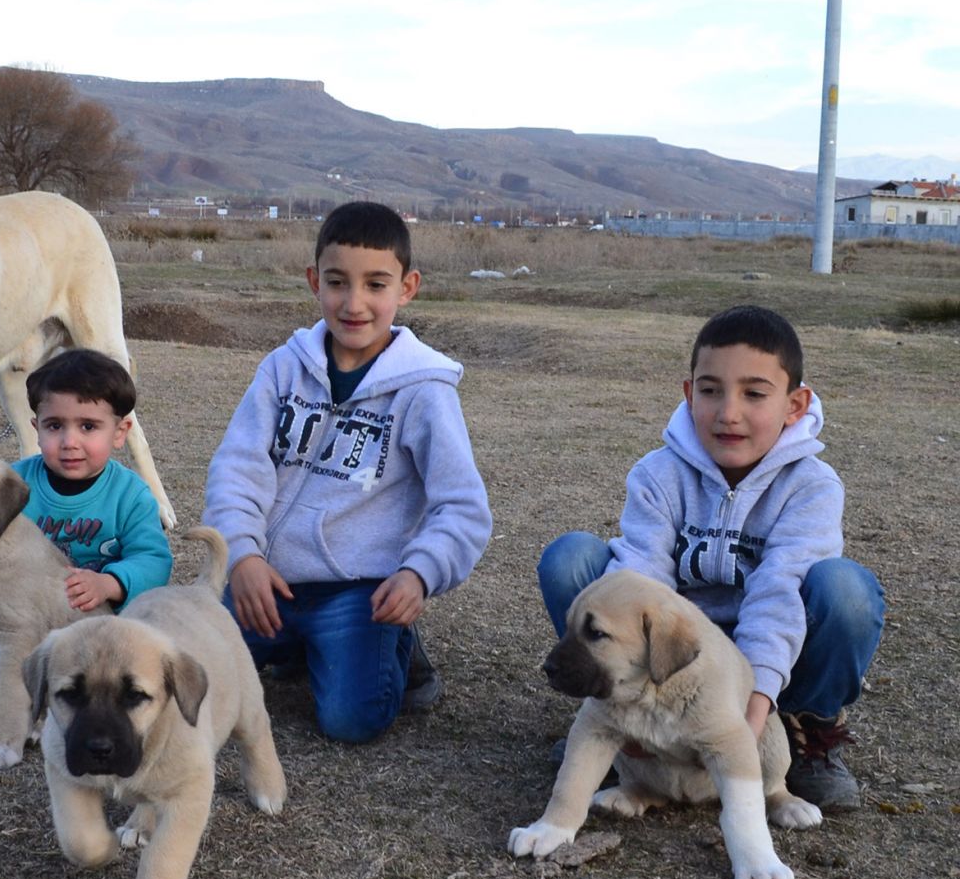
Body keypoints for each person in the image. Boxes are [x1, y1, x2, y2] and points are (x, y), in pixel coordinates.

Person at [536, 305, 884, 811]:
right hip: (672, 654)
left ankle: (806, 731)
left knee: (845, 591)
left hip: (762, 663)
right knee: (572, 559)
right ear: (688, 393)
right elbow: (638, 577)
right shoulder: (658, 474)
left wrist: (751, 717)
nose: (728, 412)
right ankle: (618, 714)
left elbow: (779, 593)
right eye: (711, 390)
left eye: (754, 394)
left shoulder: (812, 486)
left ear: (795, 405)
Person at [202, 201, 493, 744]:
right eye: (337, 282)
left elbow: (462, 507)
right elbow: (237, 470)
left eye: (375, 285)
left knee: (348, 720)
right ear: (315, 281)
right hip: (271, 581)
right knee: (195, 665)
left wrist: (419, 573)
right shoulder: (282, 368)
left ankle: (399, 651)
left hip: (358, 590)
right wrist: (242, 557)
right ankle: (300, 644)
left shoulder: (424, 391)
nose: (354, 303)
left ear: (407, 288)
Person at [0, 349, 174, 687]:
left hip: (93, 624)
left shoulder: (131, 495)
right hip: (17, 608)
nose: (69, 442)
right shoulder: (13, 483)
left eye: (88, 426)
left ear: (120, 432)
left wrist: (111, 583)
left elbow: (154, 560)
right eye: (55, 426)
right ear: (36, 428)